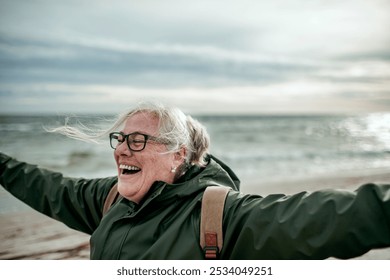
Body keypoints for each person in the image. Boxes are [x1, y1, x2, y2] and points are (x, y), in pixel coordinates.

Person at [0, 102, 389, 260]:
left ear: (179, 154)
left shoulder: (220, 216)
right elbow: (48, 187)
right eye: (119, 139)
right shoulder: (109, 200)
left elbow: (331, 216)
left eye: (138, 140)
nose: (121, 151)